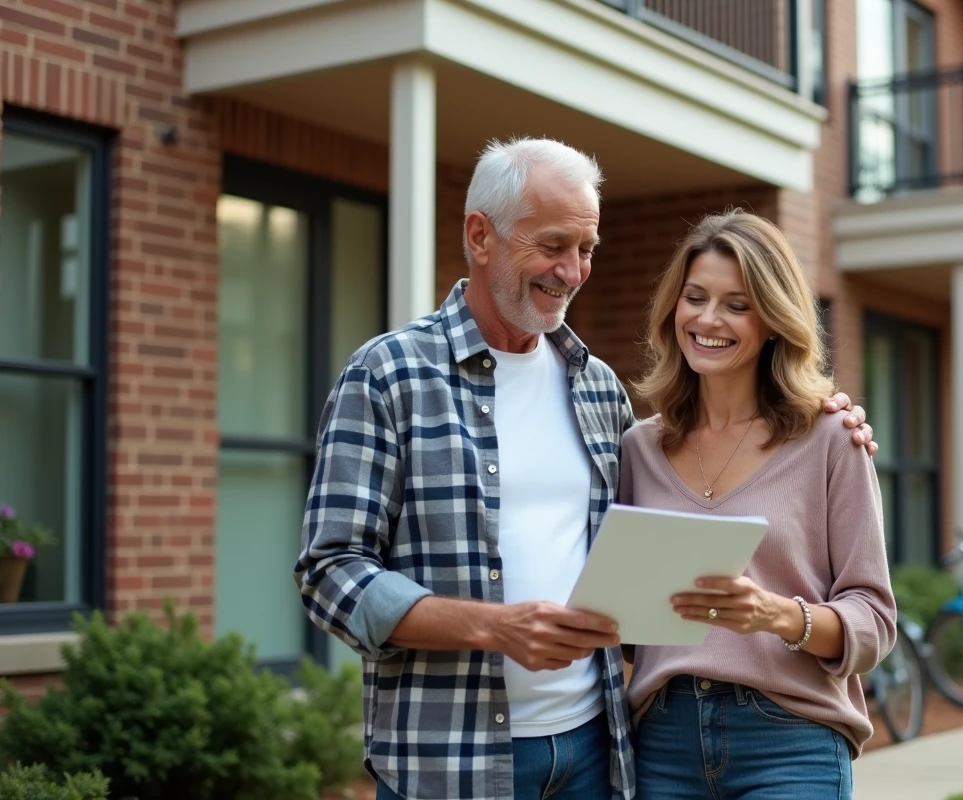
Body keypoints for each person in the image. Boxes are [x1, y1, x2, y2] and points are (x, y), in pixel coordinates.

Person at [294, 138, 877, 800]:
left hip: (597, 755)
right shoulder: (388, 376)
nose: (572, 271)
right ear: (480, 237)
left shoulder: (598, 391)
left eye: (587, 249)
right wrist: (492, 626)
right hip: (451, 758)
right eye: (553, 245)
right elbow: (329, 572)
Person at [620, 209, 896, 800]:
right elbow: (625, 627)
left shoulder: (831, 439)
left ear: (773, 320)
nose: (708, 319)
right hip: (663, 744)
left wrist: (776, 615)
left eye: (737, 305)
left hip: (789, 741)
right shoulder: (639, 449)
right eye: (695, 298)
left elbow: (873, 621)